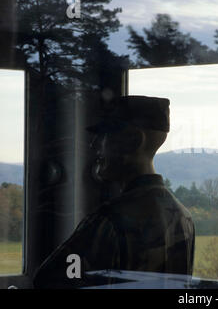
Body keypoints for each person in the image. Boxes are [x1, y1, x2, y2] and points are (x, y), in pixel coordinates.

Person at [33, 96, 195, 288]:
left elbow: (48, 281)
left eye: (105, 134)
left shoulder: (108, 221)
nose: (94, 144)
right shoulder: (184, 218)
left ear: (133, 141)